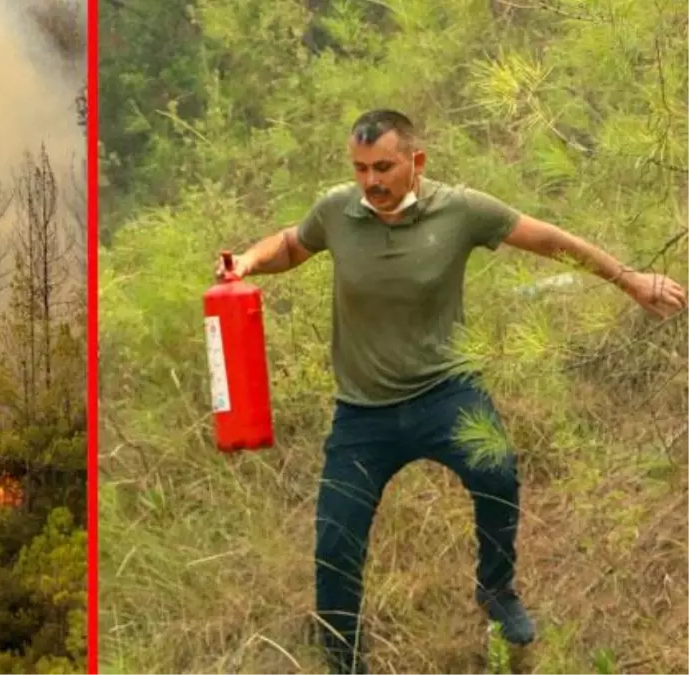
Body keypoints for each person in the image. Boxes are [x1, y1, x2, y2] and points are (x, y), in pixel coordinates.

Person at [215, 109, 687, 674]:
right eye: (361, 168)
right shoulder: (337, 210)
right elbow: (292, 245)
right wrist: (248, 260)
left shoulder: (460, 209)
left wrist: (629, 279)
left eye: (384, 166)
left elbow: (550, 241)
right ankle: (342, 659)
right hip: (362, 414)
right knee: (335, 542)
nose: (372, 181)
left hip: (446, 393)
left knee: (497, 472)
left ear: (417, 161)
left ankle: (495, 589)